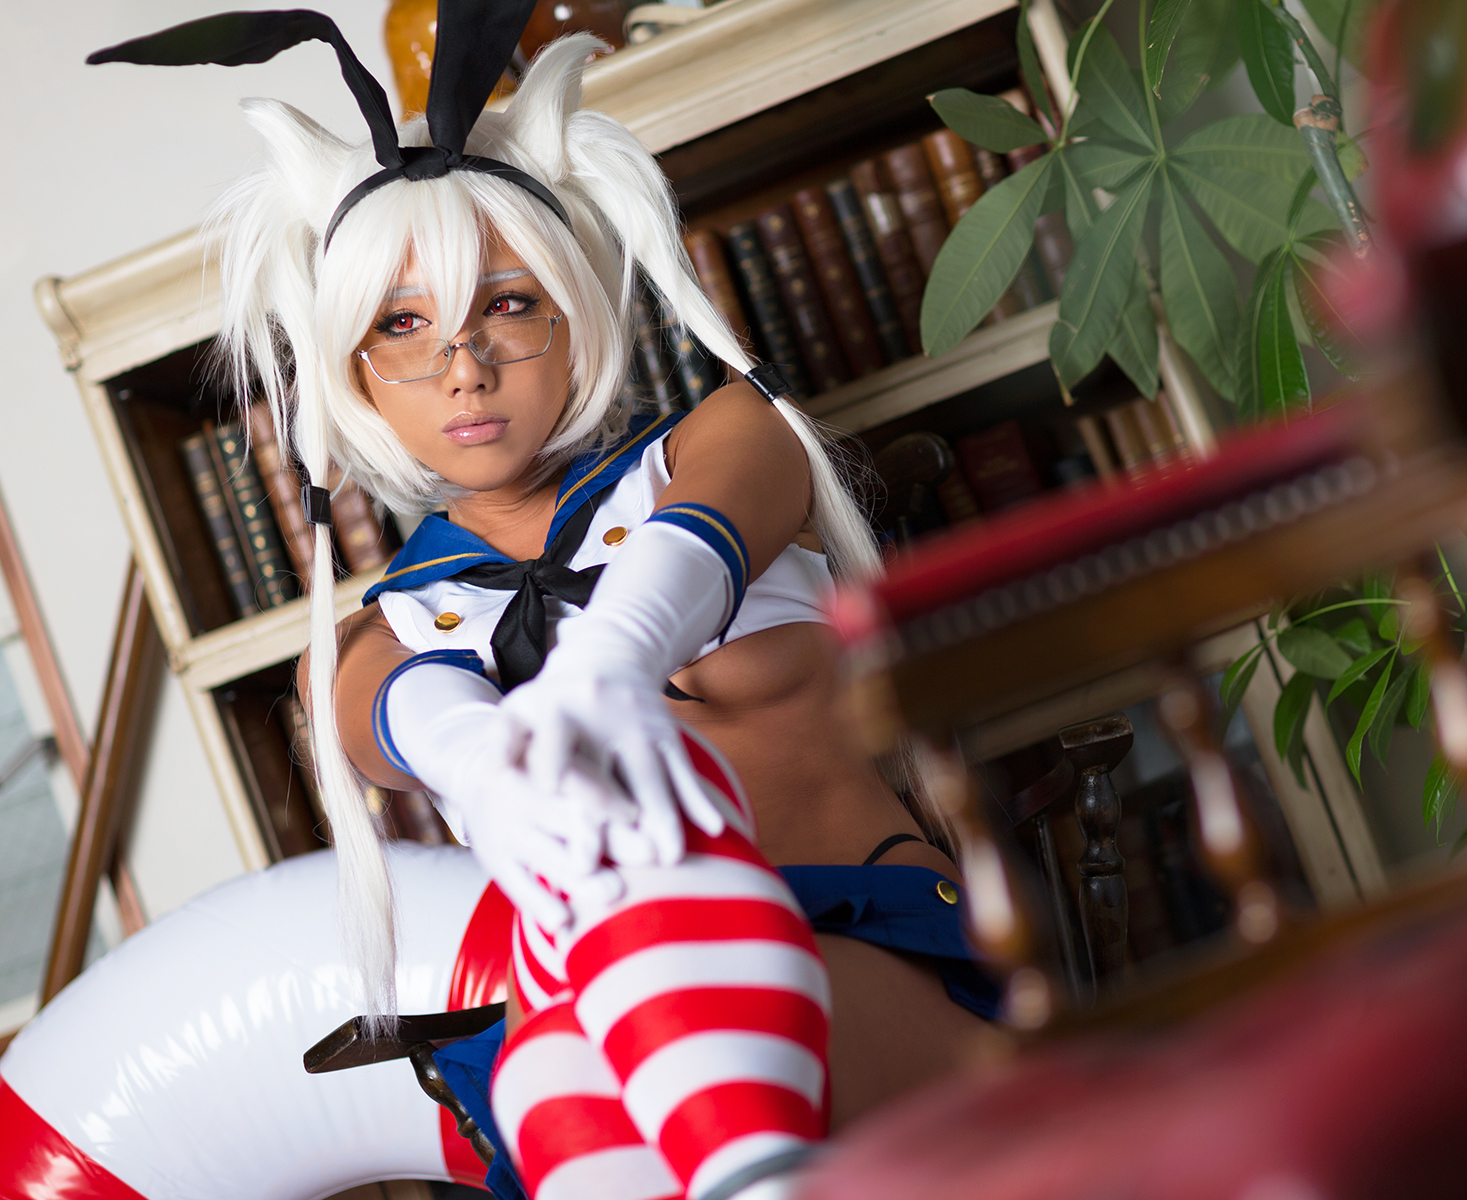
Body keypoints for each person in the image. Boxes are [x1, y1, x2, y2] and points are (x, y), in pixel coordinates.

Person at [90, 5, 992, 1199]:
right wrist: (485, 760)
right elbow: (403, 715)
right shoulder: (370, 642)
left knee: (628, 1008)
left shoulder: (727, 439)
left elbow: (692, 548)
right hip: (605, 1027)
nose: (463, 367)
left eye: (507, 304)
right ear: (355, 372)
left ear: (575, 313)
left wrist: (610, 662)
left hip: (871, 957)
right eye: (402, 326)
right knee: (557, 1062)